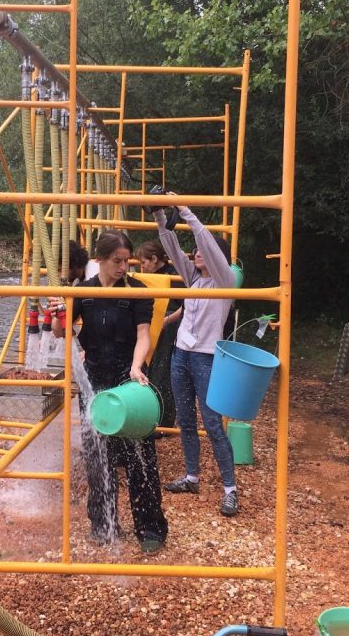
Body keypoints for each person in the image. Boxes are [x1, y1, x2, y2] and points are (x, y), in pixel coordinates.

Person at [51, 231, 168, 553]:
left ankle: (150, 528)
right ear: (100, 259)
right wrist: (58, 312)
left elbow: (143, 335)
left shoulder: (137, 291)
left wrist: (137, 367)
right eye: (117, 261)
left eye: (126, 261)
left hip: (127, 376)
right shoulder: (83, 291)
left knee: (139, 453)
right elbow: (61, 332)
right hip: (94, 378)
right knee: (96, 452)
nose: (123, 267)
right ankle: (103, 523)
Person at [153, 202, 239, 517]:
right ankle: (192, 477)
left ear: (217, 256)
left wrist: (186, 211)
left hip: (205, 358)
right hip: (181, 354)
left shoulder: (225, 281)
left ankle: (230, 489)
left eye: (204, 250)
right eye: (196, 250)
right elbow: (172, 248)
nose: (196, 253)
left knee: (212, 423)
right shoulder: (193, 279)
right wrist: (159, 215)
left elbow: (206, 242)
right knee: (186, 421)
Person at [135, 240, 182, 430]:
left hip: (168, 328)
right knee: (149, 369)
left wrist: (167, 320)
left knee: (162, 371)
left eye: (144, 262)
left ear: (154, 259)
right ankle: (149, 414)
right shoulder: (148, 277)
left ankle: (164, 421)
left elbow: (186, 305)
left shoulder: (174, 277)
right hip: (151, 327)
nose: (142, 266)